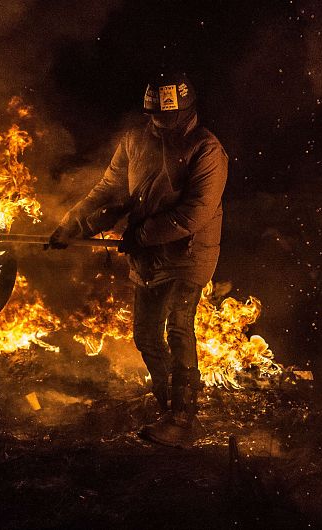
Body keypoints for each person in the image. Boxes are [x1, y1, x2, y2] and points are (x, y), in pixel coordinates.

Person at [47, 73, 228, 448]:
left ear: (188, 110)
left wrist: (141, 235)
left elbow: (196, 212)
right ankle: (167, 406)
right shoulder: (135, 140)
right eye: (154, 116)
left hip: (189, 255)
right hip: (147, 257)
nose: (159, 123)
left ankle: (183, 419)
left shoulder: (207, 150)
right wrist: (74, 225)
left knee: (178, 327)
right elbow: (109, 191)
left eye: (168, 117)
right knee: (146, 336)